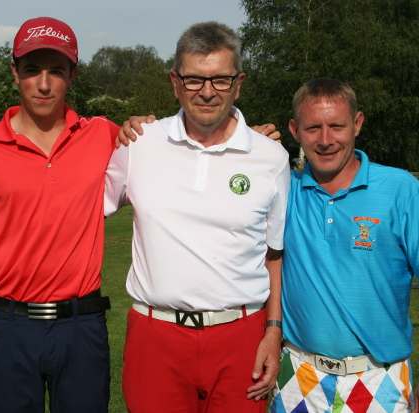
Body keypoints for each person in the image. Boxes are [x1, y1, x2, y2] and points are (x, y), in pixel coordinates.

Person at [103, 21, 290, 413]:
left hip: (240, 337)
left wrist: (273, 332)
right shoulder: (139, 144)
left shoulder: (270, 157)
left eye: (221, 80)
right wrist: (4, 251)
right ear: (175, 81)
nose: (207, 92)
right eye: (194, 80)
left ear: (238, 83)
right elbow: (82, 212)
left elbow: (275, 255)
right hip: (155, 336)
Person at [0, 17, 120, 412]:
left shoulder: (104, 135)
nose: (44, 84)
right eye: (31, 71)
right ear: (14, 72)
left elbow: (174, 144)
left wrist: (244, 133)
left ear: (72, 75)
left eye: (56, 72)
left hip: (81, 326)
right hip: (8, 326)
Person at [271, 78, 419, 413]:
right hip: (299, 374)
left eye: (337, 126)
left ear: (357, 124)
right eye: (313, 128)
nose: (326, 140)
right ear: (294, 130)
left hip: (378, 378)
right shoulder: (284, 189)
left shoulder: (402, 190)